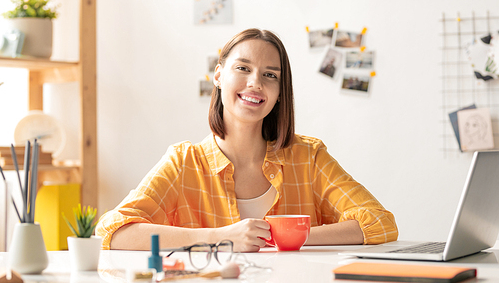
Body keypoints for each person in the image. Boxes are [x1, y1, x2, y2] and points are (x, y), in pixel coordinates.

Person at [96, 28, 398, 252]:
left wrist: (283, 237)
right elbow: (113, 231)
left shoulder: (309, 157)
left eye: (270, 75)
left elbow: (380, 222)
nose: (255, 83)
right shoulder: (183, 162)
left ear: (280, 93)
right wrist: (220, 237)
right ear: (218, 75)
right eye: (243, 68)